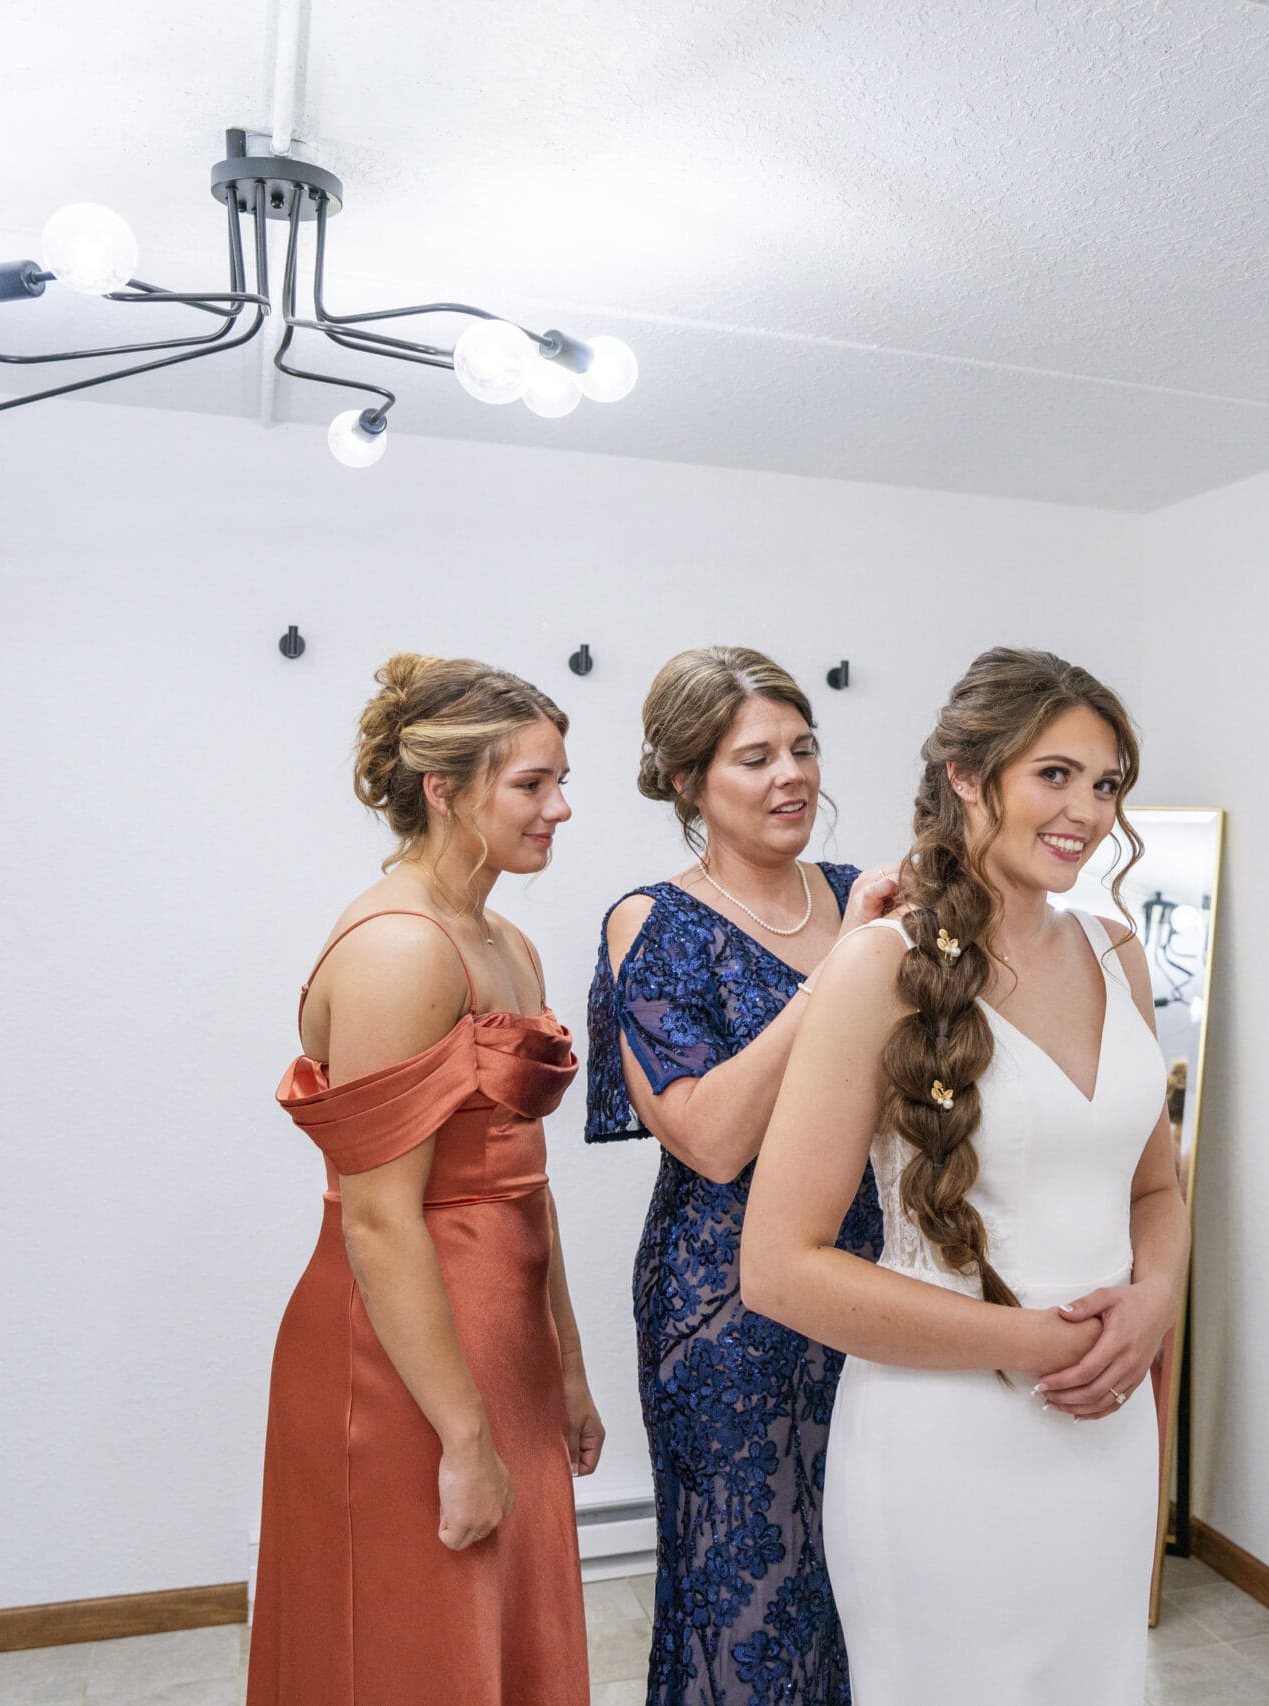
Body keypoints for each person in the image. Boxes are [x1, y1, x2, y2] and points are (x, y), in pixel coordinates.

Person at [741, 647, 1187, 1706]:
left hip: (1108, 1435)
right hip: (943, 1450)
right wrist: (1034, 1340)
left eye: (1108, 780)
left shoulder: (1116, 949)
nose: (1086, 808)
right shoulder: (878, 966)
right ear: (966, 776)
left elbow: (1155, 1190)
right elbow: (779, 1267)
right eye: (1055, 773)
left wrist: (1156, 1300)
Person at [252, 654, 600, 1706]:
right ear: (444, 788)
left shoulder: (508, 940)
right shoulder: (402, 948)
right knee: (414, 1636)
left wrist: (566, 1365)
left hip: (506, 1331)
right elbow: (379, 1217)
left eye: (559, 779)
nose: (561, 807)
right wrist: (461, 1431)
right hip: (405, 1346)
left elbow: (524, 1183)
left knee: (506, 1618)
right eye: (531, 783)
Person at [583, 646, 899, 1704]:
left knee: (862, 1578)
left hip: (870, 1278)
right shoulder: (651, 920)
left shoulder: (864, 895)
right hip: (723, 1310)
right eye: (754, 756)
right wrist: (843, 971)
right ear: (687, 781)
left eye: (802, 748)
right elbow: (709, 1134)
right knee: (749, 1595)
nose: (790, 775)